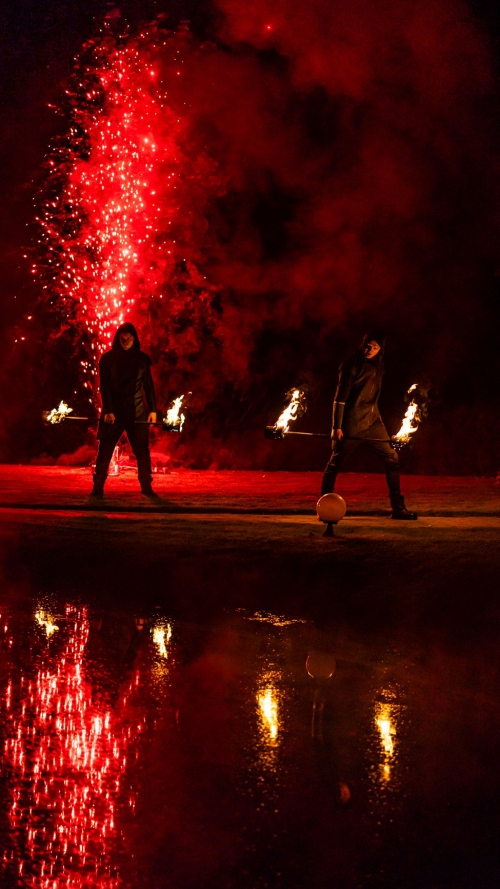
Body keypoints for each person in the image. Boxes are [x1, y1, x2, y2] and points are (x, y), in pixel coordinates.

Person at [321, 329, 417, 520]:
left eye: (375, 346)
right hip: (351, 424)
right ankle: (324, 508)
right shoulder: (350, 365)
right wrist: (336, 426)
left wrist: (377, 418)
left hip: (373, 423)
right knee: (335, 463)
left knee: (392, 459)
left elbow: (373, 397)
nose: (369, 349)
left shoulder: (379, 365)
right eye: (367, 345)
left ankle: (398, 508)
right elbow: (339, 399)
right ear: (362, 344)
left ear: (380, 349)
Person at [90, 322, 158, 497]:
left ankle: (146, 487)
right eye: (122, 338)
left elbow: (148, 386)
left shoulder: (142, 360)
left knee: (142, 451)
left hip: (136, 411)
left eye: (128, 338)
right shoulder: (108, 359)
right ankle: (97, 488)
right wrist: (109, 411)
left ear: (134, 338)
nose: (125, 341)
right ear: (118, 339)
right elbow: (105, 387)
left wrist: (152, 410)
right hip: (113, 412)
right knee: (105, 450)